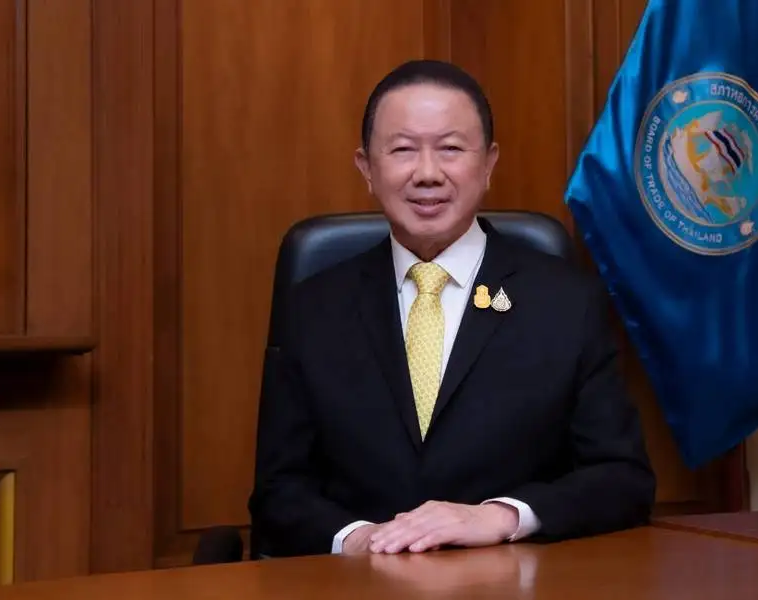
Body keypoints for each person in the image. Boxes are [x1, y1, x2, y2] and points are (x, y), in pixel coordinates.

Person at [248, 59, 655, 558]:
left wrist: (501, 516)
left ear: (488, 164)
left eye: (451, 149)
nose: (427, 174)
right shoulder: (313, 310)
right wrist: (361, 539)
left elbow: (622, 478)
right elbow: (278, 492)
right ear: (367, 169)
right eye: (402, 150)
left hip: (515, 579)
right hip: (358, 582)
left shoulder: (567, 302)